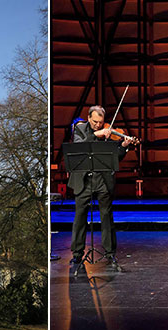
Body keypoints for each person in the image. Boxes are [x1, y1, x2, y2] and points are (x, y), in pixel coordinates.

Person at [68, 105, 136, 270]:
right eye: (95, 121)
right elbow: (79, 148)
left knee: (106, 217)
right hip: (84, 180)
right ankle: (77, 255)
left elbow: (116, 157)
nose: (99, 125)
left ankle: (110, 253)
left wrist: (124, 146)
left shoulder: (108, 132)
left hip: (103, 179)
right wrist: (95, 135)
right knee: (80, 217)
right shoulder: (79, 129)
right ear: (89, 118)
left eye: (101, 122)